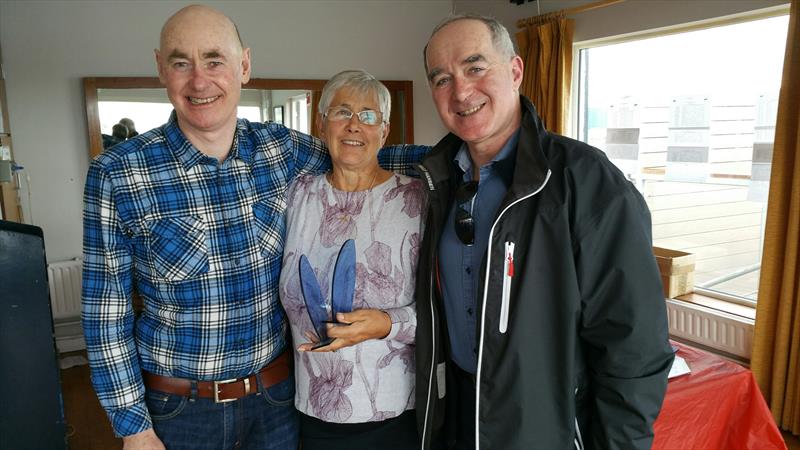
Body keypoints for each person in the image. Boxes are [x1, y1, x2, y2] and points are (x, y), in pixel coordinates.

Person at [81, 6, 424, 450]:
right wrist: (133, 428)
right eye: (181, 62)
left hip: (275, 401)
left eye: (214, 60)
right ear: (161, 69)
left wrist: (466, 160)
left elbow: (359, 155)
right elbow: (105, 316)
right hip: (179, 410)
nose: (200, 81)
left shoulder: (280, 150)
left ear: (244, 66)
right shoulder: (118, 172)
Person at [413, 14, 675, 450]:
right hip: (455, 411)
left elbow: (634, 349)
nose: (460, 91)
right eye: (442, 79)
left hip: (542, 425)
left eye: (475, 67)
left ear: (515, 71)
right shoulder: (435, 183)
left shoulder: (588, 182)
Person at [278, 69, 424, 449]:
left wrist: (386, 323)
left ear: (385, 131)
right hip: (310, 411)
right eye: (342, 112)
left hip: (395, 416)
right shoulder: (297, 196)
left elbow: (450, 312)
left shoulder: (417, 201)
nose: (354, 125)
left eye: (369, 115)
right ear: (321, 123)